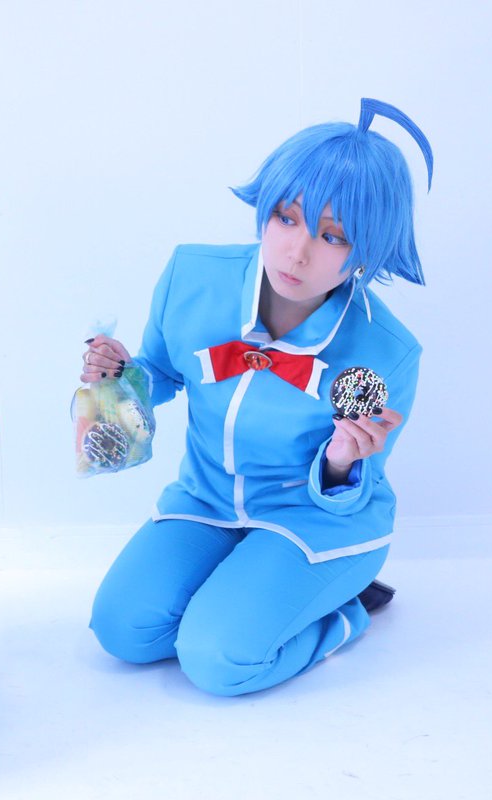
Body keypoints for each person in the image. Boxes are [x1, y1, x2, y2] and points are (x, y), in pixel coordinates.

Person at [84, 99, 431, 696]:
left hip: (310, 520)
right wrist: (120, 374)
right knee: (124, 631)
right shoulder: (192, 276)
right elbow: (162, 372)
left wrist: (343, 460)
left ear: (367, 250)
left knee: (217, 660)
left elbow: (353, 492)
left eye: (333, 236)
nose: (298, 252)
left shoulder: (386, 351)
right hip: (206, 501)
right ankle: (245, 588)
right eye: (286, 218)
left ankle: (344, 612)